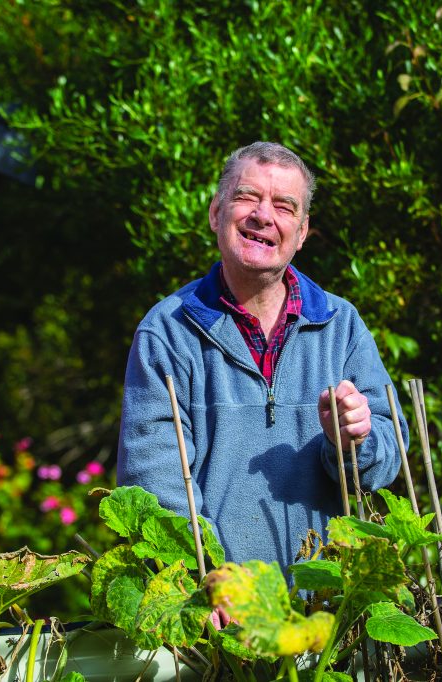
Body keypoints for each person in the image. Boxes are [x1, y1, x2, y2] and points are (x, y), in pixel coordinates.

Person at [116, 141, 408, 572]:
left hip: (325, 613)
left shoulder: (340, 326)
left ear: (302, 232)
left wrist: (352, 443)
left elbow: (387, 459)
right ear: (216, 213)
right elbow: (153, 484)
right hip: (216, 616)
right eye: (246, 197)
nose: (263, 216)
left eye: (284, 206)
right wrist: (209, 579)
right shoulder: (167, 334)